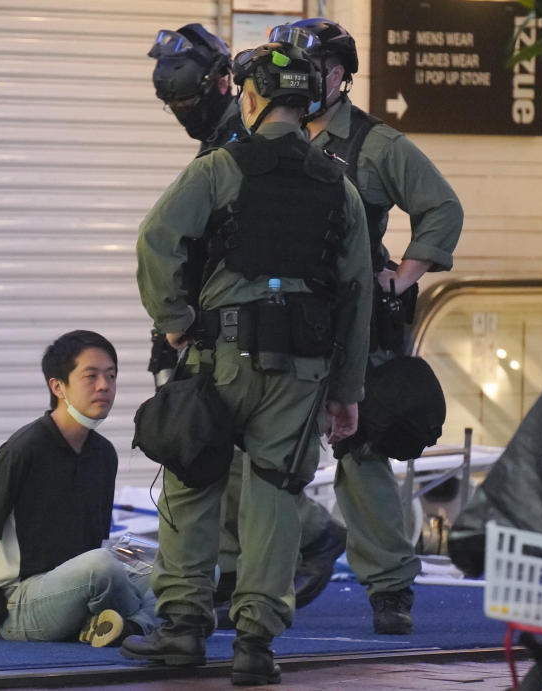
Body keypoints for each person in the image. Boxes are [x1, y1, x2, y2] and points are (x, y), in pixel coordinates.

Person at [122, 41, 373, 686]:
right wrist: (347, 392)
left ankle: (181, 630)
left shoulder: (219, 169)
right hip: (305, 369)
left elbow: (157, 240)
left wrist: (174, 323)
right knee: (275, 495)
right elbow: (356, 292)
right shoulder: (338, 187)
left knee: (194, 479)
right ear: (309, 102)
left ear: (251, 98)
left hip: (220, 357)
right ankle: (255, 643)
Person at [268, 18, 465, 635]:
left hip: (358, 321)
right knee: (265, 448)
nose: (303, 81)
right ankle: (270, 571)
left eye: (316, 68)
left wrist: (400, 280)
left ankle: (389, 589)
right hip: (283, 317)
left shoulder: (377, 145)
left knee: (362, 448)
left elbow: (441, 207)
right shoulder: (269, 133)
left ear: (340, 74)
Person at [148, 22, 348, 618]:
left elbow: (163, 240)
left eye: (187, 99)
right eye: (172, 102)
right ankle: (246, 605)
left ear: (236, 90)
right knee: (238, 466)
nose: (181, 110)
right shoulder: (235, 146)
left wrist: (173, 320)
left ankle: (290, 552)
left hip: (232, 336)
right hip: (250, 336)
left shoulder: (241, 150)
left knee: (212, 465)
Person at [0, 330, 157, 647]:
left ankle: (126, 627)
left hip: (81, 582)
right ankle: (146, 625)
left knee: (186, 567)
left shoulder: (103, 454)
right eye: (90, 376)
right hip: (22, 601)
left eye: (111, 376)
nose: (104, 386)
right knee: (102, 566)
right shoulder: (23, 450)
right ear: (58, 386)